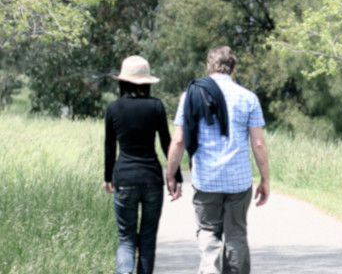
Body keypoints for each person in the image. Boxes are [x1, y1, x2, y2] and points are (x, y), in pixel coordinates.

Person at [165, 46, 269, 274]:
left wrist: (171, 174)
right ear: (233, 69)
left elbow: (179, 139)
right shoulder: (248, 98)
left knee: (208, 230)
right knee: (237, 233)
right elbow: (258, 143)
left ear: (208, 66)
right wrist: (265, 179)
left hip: (206, 178)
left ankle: (210, 270)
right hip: (238, 180)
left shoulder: (190, 95)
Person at [104, 55, 182, 274]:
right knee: (147, 239)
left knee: (126, 238)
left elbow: (110, 148)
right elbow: (168, 143)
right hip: (151, 180)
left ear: (122, 81)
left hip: (125, 178)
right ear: (147, 82)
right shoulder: (156, 107)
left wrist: (107, 177)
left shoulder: (113, 108)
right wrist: (175, 177)